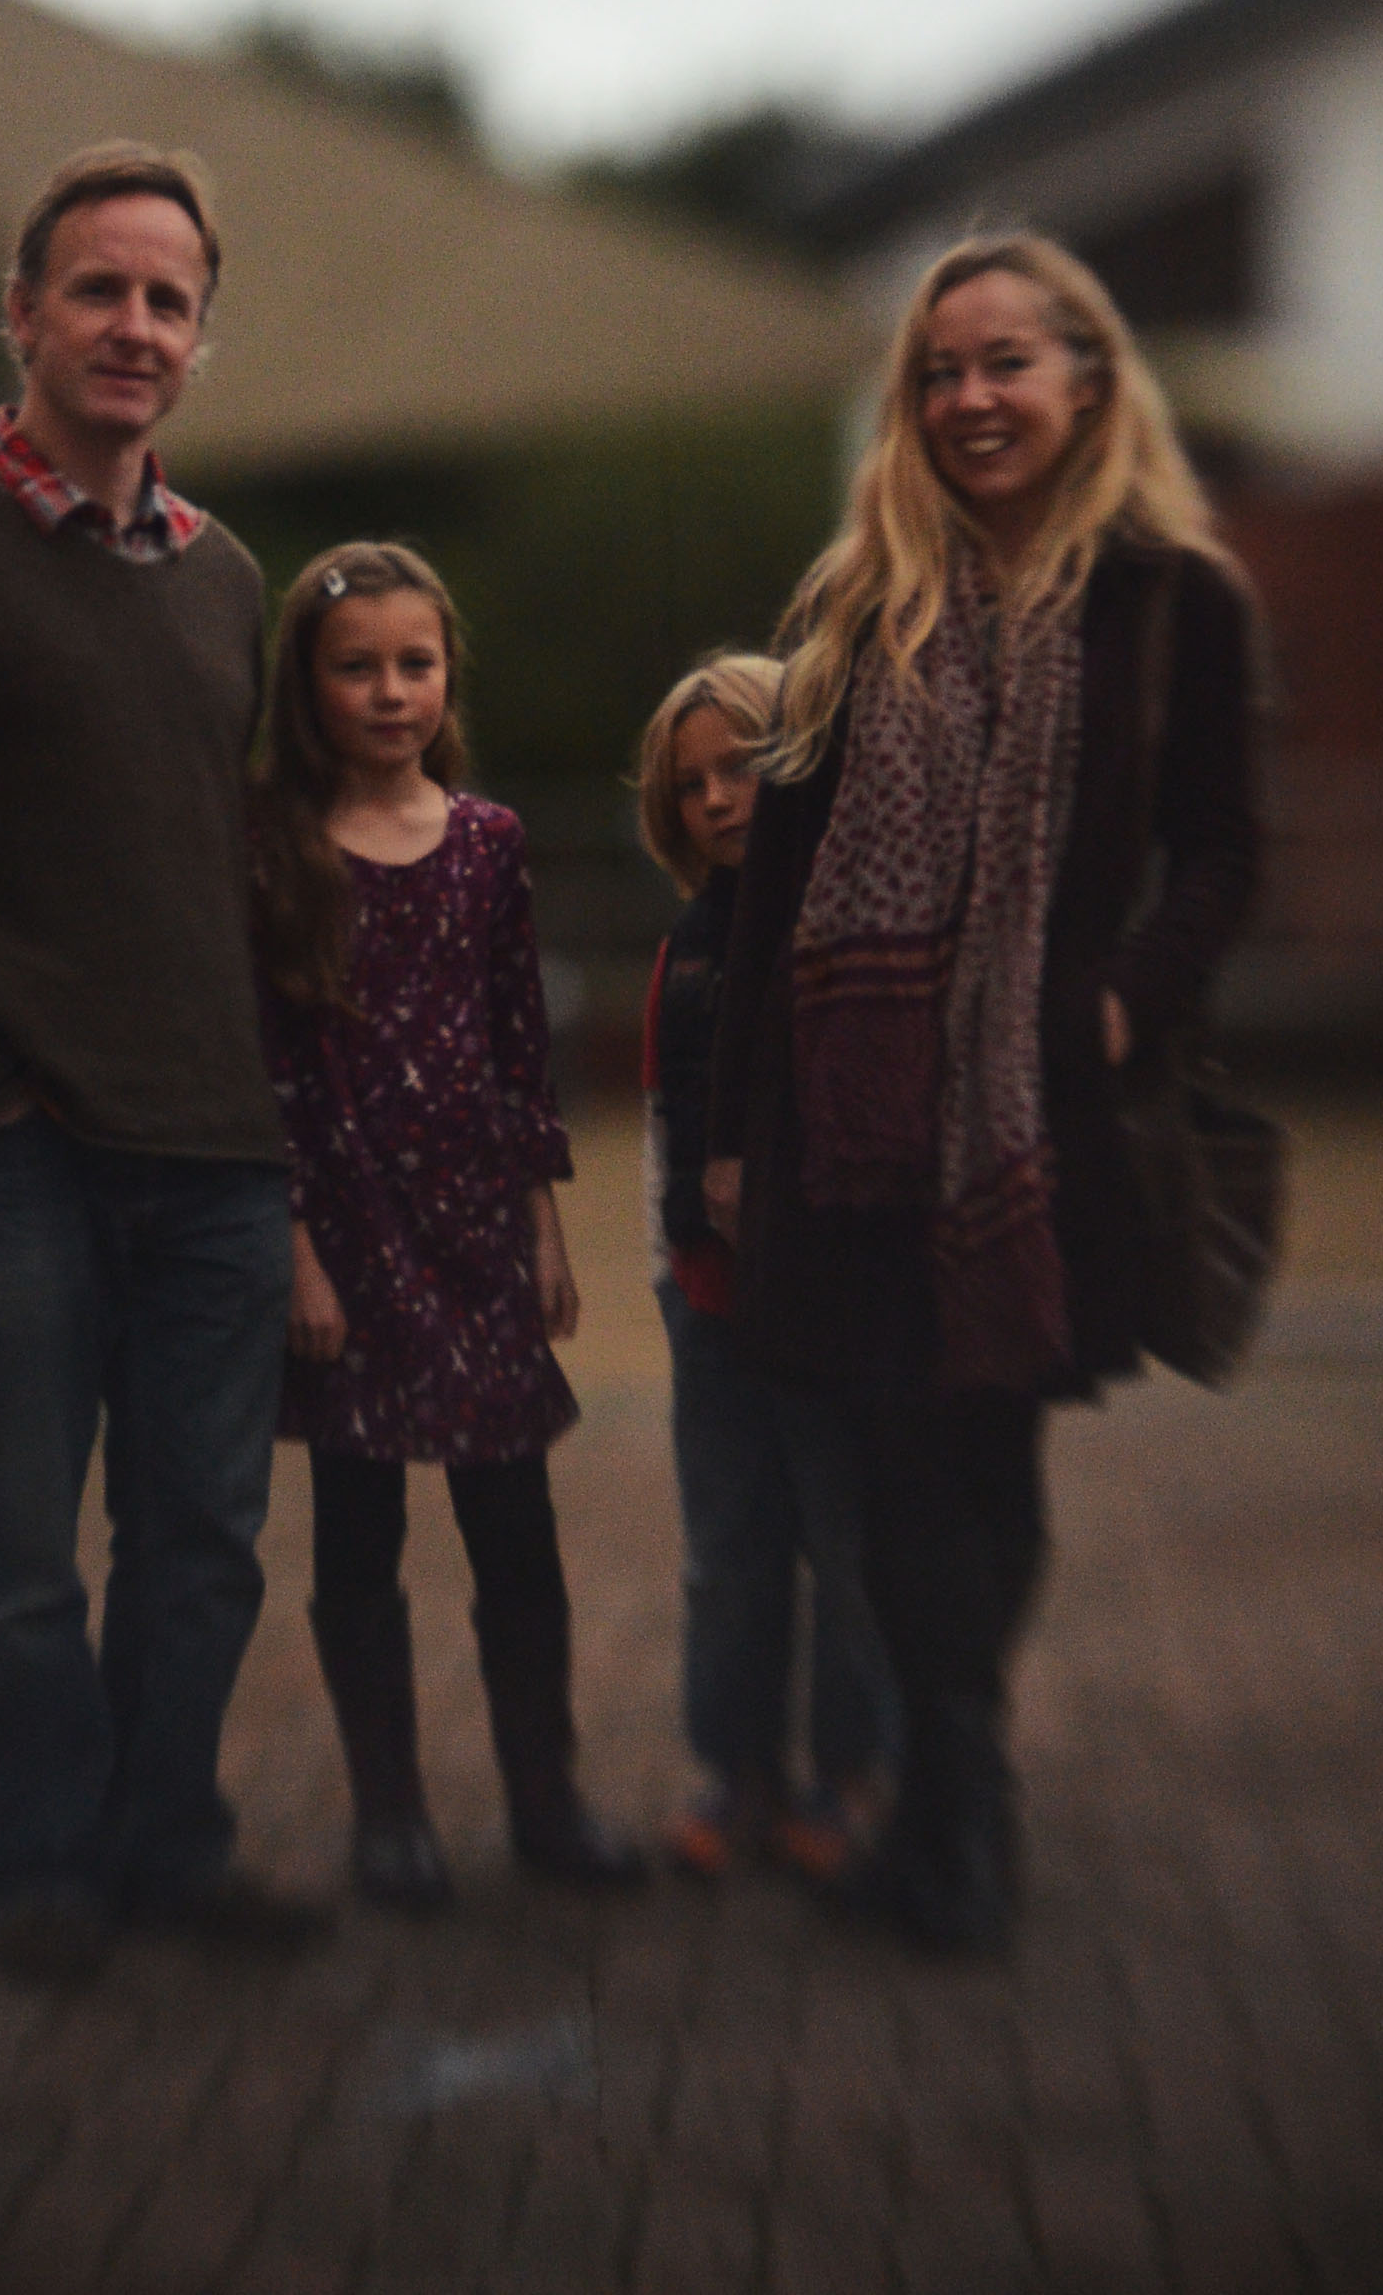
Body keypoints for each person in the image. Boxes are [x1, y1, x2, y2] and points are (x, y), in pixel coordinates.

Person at [0, 142, 323, 1988]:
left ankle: (168, 1849)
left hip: (219, 1158)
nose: (134, 324)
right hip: (8, 1153)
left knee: (202, 1548)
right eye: (98, 287)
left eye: (170, 299)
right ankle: (45, 1877)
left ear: (198, 339)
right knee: (22, 1555)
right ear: (20, 312)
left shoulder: (228, 578)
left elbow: (240, 865)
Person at [704, 233, 1261, 1957]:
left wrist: (1122, 1001)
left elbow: (1222, 855)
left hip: (1037, 1111)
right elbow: (770, 892)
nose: (969, 398)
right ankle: (956, 1812)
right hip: (852, 1118)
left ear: (1086, 380)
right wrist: (724, 1134)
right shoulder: (856, 600)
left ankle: (958, 1815)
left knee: (985, 1454)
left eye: (1004, 362)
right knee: (890, 1473)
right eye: (938, 372)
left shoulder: (1171, 602)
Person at [251, 542, 646, 1910]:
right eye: (356, 667)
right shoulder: (277, 847)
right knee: (358, 1541)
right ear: (307, 684)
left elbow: (518, 1043)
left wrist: (542, 1223)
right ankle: (392, 1819)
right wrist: (297, 1252)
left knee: (516, 1536)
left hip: (478, 1232)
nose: (389, 692)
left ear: (448, 676)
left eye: (414, 664)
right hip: (346, 1234)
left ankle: (548, 1802)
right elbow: (266, 1066)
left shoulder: (488, 842)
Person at [635, 654, 897, 1883]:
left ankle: (850, 1775)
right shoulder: (683, 951)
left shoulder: (848, 930)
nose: (719, 799)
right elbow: (663, 1122)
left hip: (833, 1302)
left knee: (848, 1550)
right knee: (728, 1552)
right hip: (710, 1305)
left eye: (741, 767)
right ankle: (735, 1770)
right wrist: (669, 1271)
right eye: (692, 786)